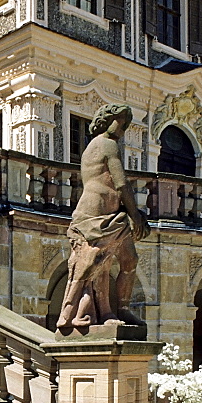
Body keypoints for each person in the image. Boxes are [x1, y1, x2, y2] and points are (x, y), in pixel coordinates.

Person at [56, 103, 150, 332]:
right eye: (120, 121)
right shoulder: (106, 144)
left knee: (130, 259)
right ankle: (88, 312)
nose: (123, 127)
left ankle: (123, 309)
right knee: (97, 264)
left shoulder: (101, 145)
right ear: (106, 120)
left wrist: (130, 213)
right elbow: (121, 182)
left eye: (126, 123)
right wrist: (135, 214)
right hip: (95, 213)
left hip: (114, 214)